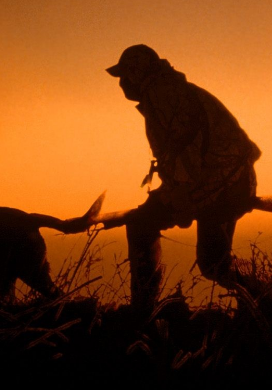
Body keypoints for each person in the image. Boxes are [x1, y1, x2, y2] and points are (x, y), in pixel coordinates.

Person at [104, 44, 262, 316]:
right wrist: (171, 192)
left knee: (143, 227)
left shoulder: (163, 94)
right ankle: (265, 302)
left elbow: (187, 149)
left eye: (124, 76)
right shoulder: (168, 91)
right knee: (215, 265)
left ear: (137, 72)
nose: (121, 84)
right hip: (227, 182)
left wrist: (182, 198)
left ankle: (143, 311)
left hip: (221, 186)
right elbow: (181, 155)